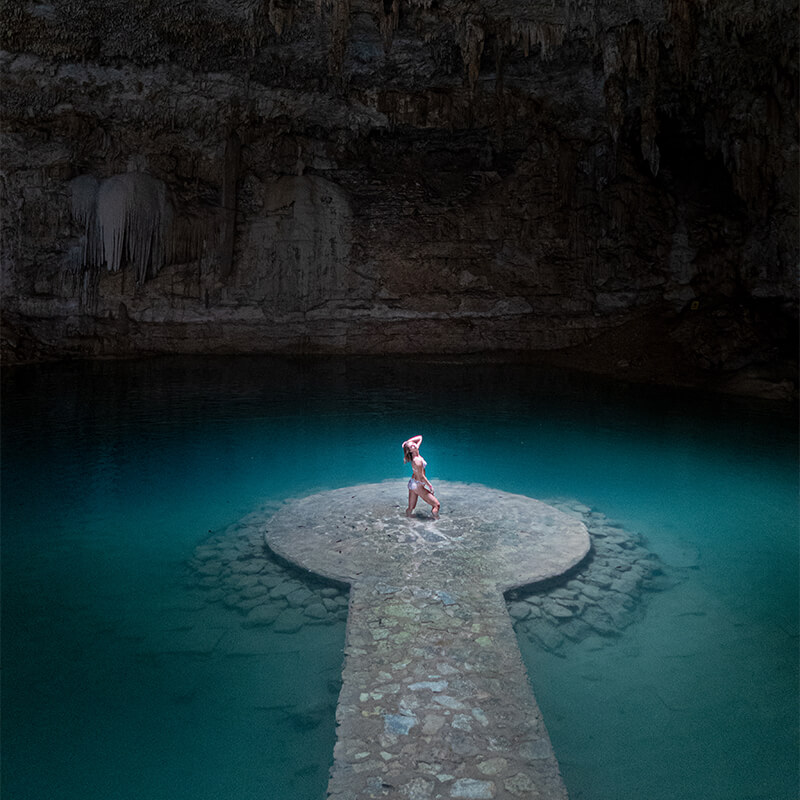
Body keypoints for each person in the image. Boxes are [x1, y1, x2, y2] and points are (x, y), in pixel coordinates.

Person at [402, 434, 440, 518]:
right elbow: (421, 476)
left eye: (413, 443)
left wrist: (407, 442)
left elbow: (420, 437)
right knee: (436, 505)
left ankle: (407, 520)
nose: (414, 444)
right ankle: (436, 522)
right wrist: (430, 486)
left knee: (411, 507)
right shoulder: (417, 460)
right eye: (411, 446)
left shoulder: (415, 452)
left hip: (413, 483)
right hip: (417, 485)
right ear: (410, 451)